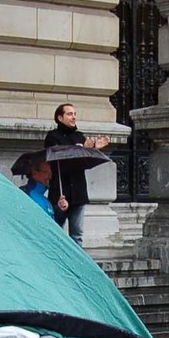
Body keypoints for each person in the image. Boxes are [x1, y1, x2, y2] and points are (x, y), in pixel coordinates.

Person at [43, 103, 109, 246]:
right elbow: (57, 157)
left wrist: (94, 149)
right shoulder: (53, 137)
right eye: (69, 114)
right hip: (60, 192)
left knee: (77, 234)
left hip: (78, 192)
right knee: (56, 232)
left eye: (74, 114)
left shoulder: (79, 136)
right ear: (60, 118)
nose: (73, 117)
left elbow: (84, 162)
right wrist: (79, 148)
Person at [23, 156, 66, 220]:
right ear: (34, 173)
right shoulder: (23, 194)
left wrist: (60, 210)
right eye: (46, 173)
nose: (50, 177)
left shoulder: (46, 201)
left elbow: (53, 224)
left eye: (50, 174)